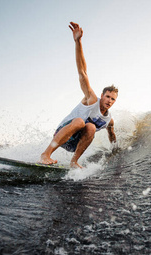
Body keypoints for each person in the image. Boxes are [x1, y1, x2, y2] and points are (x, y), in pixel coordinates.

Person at [40, 22, 118, 168]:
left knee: (91, 127)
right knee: (80, 122)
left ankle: (74, 161)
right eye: (107, 96)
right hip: (62, 135)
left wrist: (117, 150)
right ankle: (46, 154)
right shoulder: (92, 99)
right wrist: (78, 41)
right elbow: (82, 72)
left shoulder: (109, 120)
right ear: (102, 95)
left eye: (113, 99)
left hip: (74, 145)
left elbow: (112, 136)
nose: (109, 100)